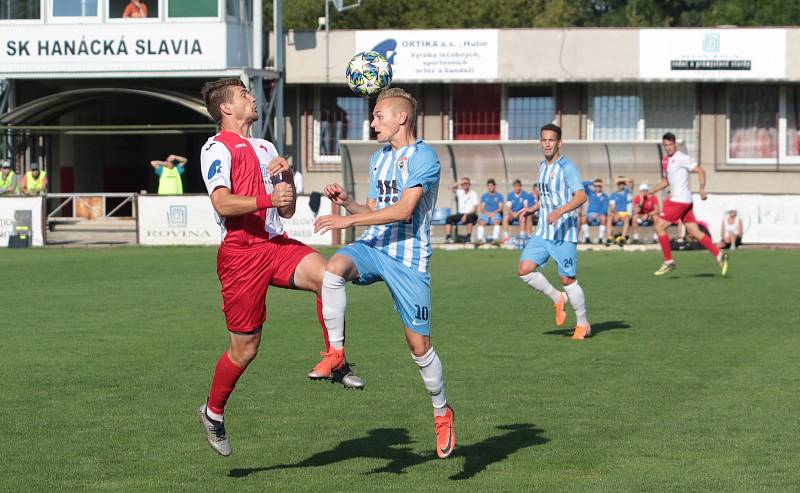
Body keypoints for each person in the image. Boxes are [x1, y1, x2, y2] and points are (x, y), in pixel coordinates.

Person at [195, 78, 362, 457]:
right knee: (245, 349)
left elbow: (285, 209)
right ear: (225, 108)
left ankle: (335, 359)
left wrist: (285, 181)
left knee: (329, 276)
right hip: (240, 253)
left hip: (275, 244)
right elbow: (222, 204)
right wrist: (268, 194)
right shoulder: (216, 147)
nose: (252, 98)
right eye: (243, 95)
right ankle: (213, 412)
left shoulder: (266, 146)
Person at [312, 87, 456, 459]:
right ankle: (337, 354)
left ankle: (441, 412)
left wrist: (350, 218)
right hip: (374, 247)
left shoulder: (425, 157)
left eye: (378, 116)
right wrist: (349, 204)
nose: (372, 122)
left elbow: (404, 210)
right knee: (333, 268)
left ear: (401, 118)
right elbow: (376, 207)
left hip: (408, 261)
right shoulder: (378, 159)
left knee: (419, 347)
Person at [518, 123, 591, 340]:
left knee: (567, 279)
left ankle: (583, 324)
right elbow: (549, 198)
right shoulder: (542, 166)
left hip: (563, 233)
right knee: (524, 270)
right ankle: (558, 298)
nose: (547, 144)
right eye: (544, 140)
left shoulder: (567, 167)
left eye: (551, 140)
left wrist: (560, 211)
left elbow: (581, 196)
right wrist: (533, 208)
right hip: (543, 231)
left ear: (560, 143)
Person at [651, 132, 729, 276]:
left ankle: (668, 261)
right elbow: (667, 181)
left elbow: (701, 171)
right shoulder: (665, 161)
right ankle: (719, 255)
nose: (668, 147)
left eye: (670, 144)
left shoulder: (682, 158)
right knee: (694, 232)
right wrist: (652, 191)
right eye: (666, 145)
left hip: (678, 200)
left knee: (659, 226)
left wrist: (702, 189)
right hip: (684, 201)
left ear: (675, 144)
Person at [444, 177, 478, 243]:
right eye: (463, 184)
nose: (465, 185)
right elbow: (449, 187)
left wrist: (465, 215)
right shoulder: (460, 192)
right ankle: (448, 237)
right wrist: (460, 182)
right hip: (461, 214)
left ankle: (468, 237)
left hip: (470, 213)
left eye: (466, 183)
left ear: (469, 184)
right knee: (448, 218)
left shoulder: (473, 193)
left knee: (469, 217)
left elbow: (475, 208)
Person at [579, 178, 608, 244]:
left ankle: (600, 238)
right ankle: (587, 238)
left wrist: (599, 214)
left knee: (604, 217)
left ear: (601, 186)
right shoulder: (590, 193)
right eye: (596, 186)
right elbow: (581, 184)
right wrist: (591, 182)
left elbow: (605, 208)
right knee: (583, 218)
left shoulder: (605, 196)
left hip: (599, 215)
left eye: (599, 186)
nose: (597, 187)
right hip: (590, 215)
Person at [606, 177, 633, 245]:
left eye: (623, 183)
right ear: (617, 185)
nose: (621, 185)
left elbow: (631, 180)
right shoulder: (613, 195)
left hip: (626, 213)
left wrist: (620, 179)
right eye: (619, 183)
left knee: (627, 218)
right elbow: (612, 207)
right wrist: (616, 214)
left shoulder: (628, 192)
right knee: (609, 217)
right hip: (616, 213)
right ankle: (609, 237)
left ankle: (622, 238)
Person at [477, 178, 503, 243]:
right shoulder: (484, 196)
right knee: (481, 223)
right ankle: (480, 240)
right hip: (486, 214)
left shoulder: (499, 196)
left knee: (496, 222)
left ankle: (495, 239)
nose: (490, 187)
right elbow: (482, 208)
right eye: (489, 186)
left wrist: (493, 213)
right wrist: (487, 213)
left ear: (494, 186)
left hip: (495, 214)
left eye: (491, 186)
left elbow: (500, 207)